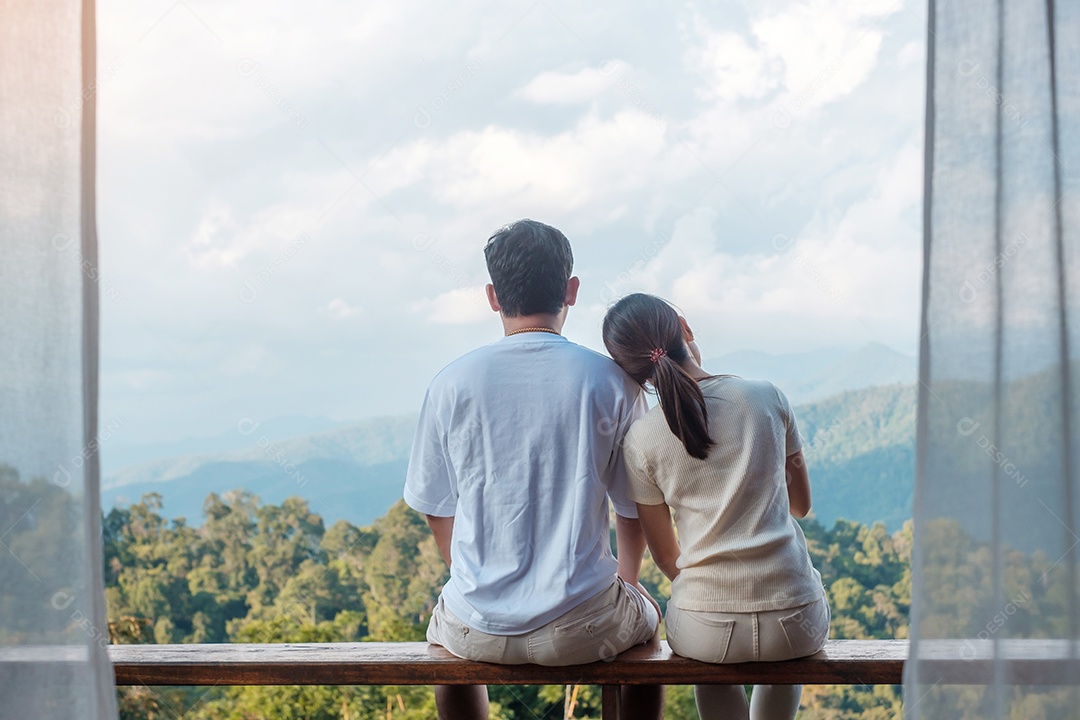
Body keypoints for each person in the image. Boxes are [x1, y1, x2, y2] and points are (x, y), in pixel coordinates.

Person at [404, 221, 663, 720]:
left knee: (446, 650)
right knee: (649, 627)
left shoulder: (451, 383)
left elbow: (436, 508)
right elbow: (635, 507)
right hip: (584, 622)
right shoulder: (612, 382)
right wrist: (627, 582)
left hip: (475, 624)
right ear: (571, 290)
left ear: (492, 297)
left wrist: (474, 579)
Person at [602, 293, 829, 720]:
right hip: (794, 616)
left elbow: (668, 558)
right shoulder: (767, 397)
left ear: (629, 370)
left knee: (710, 664)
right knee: (791, 638)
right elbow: (801, 505)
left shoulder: (642, 439)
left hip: (706, 625)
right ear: (685, 329)